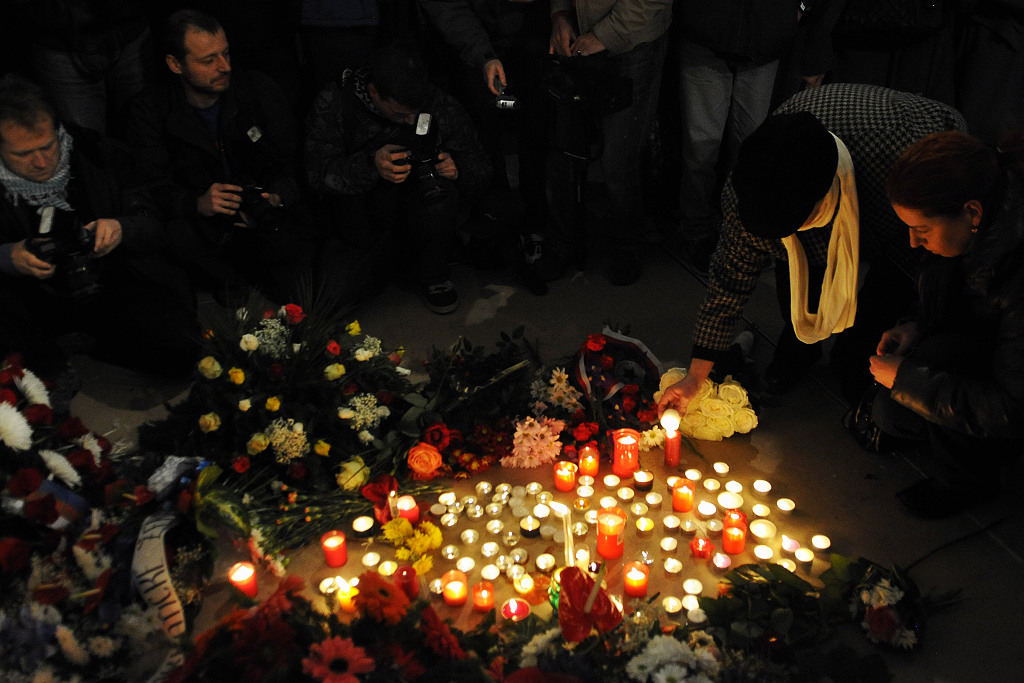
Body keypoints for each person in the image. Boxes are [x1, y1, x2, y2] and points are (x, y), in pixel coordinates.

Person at [656, 83, 967, 417]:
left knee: (883, 302)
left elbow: (929, 250)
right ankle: (800, 349)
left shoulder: (900, 159)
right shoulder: (752, 186)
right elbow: (728, 283)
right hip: (807, 192)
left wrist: (916, 319)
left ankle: (854, 358)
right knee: (797, 288)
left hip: (887, 181)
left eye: (795, 223)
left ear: (823, 197)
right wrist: (695, 376)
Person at [0, 73, 197, 387]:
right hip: (28, 300)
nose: (41, 162)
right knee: (31, 385)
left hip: (106, 280)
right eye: (23, 154)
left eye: (47, 146)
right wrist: (8, 256)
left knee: (182, 346)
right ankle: (48, 356)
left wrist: (121, 228)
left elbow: (153, 224)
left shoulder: (95, 152)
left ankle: (91, 342)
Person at [867, 129, 1024, 518]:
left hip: (1009, 400)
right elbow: (956, 295)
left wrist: (906, 379)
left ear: (973, 212)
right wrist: (915, 325)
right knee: (891, 412)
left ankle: (967, 482)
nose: (912, 242)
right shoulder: (971, 231)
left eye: (922, 230)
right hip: (982, 353)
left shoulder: (1018, 273)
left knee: (913, 388)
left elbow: (1012, 409)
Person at [124, 9, 313, 305]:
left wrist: (275, 197)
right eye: (208, 60)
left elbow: (295, 160)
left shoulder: (256, 90)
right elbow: (150, 184)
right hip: (203, 224)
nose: (224, 67)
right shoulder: (151, 110)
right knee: (177, 234)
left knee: (301, 298)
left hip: (262, 214)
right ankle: (227, 278)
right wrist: (196, 203)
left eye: (225, 53)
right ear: (175, 64)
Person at [304, 41, 492, 314]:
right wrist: (371, 165)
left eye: (416, 113)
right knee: (334, 297)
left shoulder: (436, 101)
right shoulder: (336, 102)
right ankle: (385, 264)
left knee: (440, 195)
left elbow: (482, 166)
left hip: (418, 210)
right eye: (401, 113)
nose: (410, 121)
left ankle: (433, 273)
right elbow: (315, 174)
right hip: (361, 220)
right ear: (373, 92)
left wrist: (457, 168)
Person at [674, 0, 839, 273]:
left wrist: (796, 9)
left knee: (750, 149)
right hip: (706, 35)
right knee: (701, 150)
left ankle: (741, 230)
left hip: (763, 39)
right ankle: (698, 230)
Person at [418, 0, 557, 290]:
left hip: (531, 37)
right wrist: (483, 54)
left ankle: (535, 224)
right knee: (483, 137)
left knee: (536, 130)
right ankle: (497, 228)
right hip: (471, 40)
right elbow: (448, 9)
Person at [548, 0, 672, 285]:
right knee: (564, 148)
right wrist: (560, 14)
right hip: (578, 34)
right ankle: (561, 242)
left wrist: (605, 34)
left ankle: (626, 244)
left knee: (619, 157)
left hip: (635, 40)